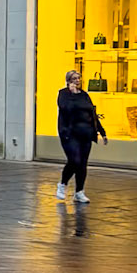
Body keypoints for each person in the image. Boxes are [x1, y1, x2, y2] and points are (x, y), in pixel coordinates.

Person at [56, 68, 105, 205]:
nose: (77, 81)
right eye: (74, 78)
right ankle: (62, 184)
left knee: (82, 164)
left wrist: (101, 131)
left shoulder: (84, 95)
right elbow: (65, 108)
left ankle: (79, 192)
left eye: (78, 78)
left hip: (86, 133)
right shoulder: (64, 94)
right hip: (70, 134)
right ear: (68, 81)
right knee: (74, 160)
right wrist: (71, 93)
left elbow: (92, 113)